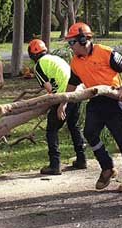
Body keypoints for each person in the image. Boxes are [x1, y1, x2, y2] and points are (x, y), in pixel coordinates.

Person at [64, 22, 122, 193]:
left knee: (121, 140)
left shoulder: (105, 52)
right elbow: (72, 83)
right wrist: (63, 102)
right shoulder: (76, 62)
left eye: (72, 42)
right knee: (90, 133)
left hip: (114, 101)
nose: (70, 47)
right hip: (96, 101)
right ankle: (107, 168)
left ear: (83, 40)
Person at [28, 39, 88, 175]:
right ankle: (81, 159)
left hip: (64, 96)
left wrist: (57, 104)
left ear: (32, 55)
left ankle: (55, 165)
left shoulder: (38, 66)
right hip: (78, 92)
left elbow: (49, 88)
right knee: (74, 126)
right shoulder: (55, 58)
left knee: (52, 130)